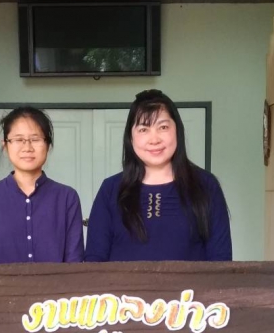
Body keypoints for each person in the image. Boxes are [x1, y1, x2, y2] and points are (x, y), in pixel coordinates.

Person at [85, 90, 232, 262]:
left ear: (177, 131)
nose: (154, 139)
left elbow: (220, 261)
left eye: (163, 127)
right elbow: (94, 261)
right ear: (131, 138)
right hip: (121, 282)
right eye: (143, 129)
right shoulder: (110, 190)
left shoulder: (206, 185)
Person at [0, 107, 84, 265]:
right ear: (5, 145)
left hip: (58, 283)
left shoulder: (67, 198)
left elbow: (74, 263)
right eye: (18, 140)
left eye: (35, 139)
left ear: (48, 145)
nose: (27, 148)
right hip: (0, 283)